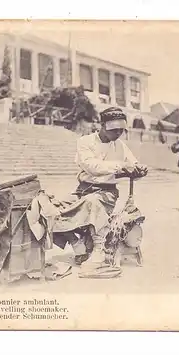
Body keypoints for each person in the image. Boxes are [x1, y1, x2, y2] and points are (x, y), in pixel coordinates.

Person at [54, 107, 147, 268]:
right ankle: (77, 244)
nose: (118, 134)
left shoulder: (120, 145)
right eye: (114, 130)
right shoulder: (85, 142)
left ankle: (99, 249)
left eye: (121, 131)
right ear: (102, 125)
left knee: (93, 202)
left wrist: (140, 169)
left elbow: (133, 165)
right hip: (83, 189)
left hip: (107, 193)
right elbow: (92, 166)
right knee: (51, 209)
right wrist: (122, 166)